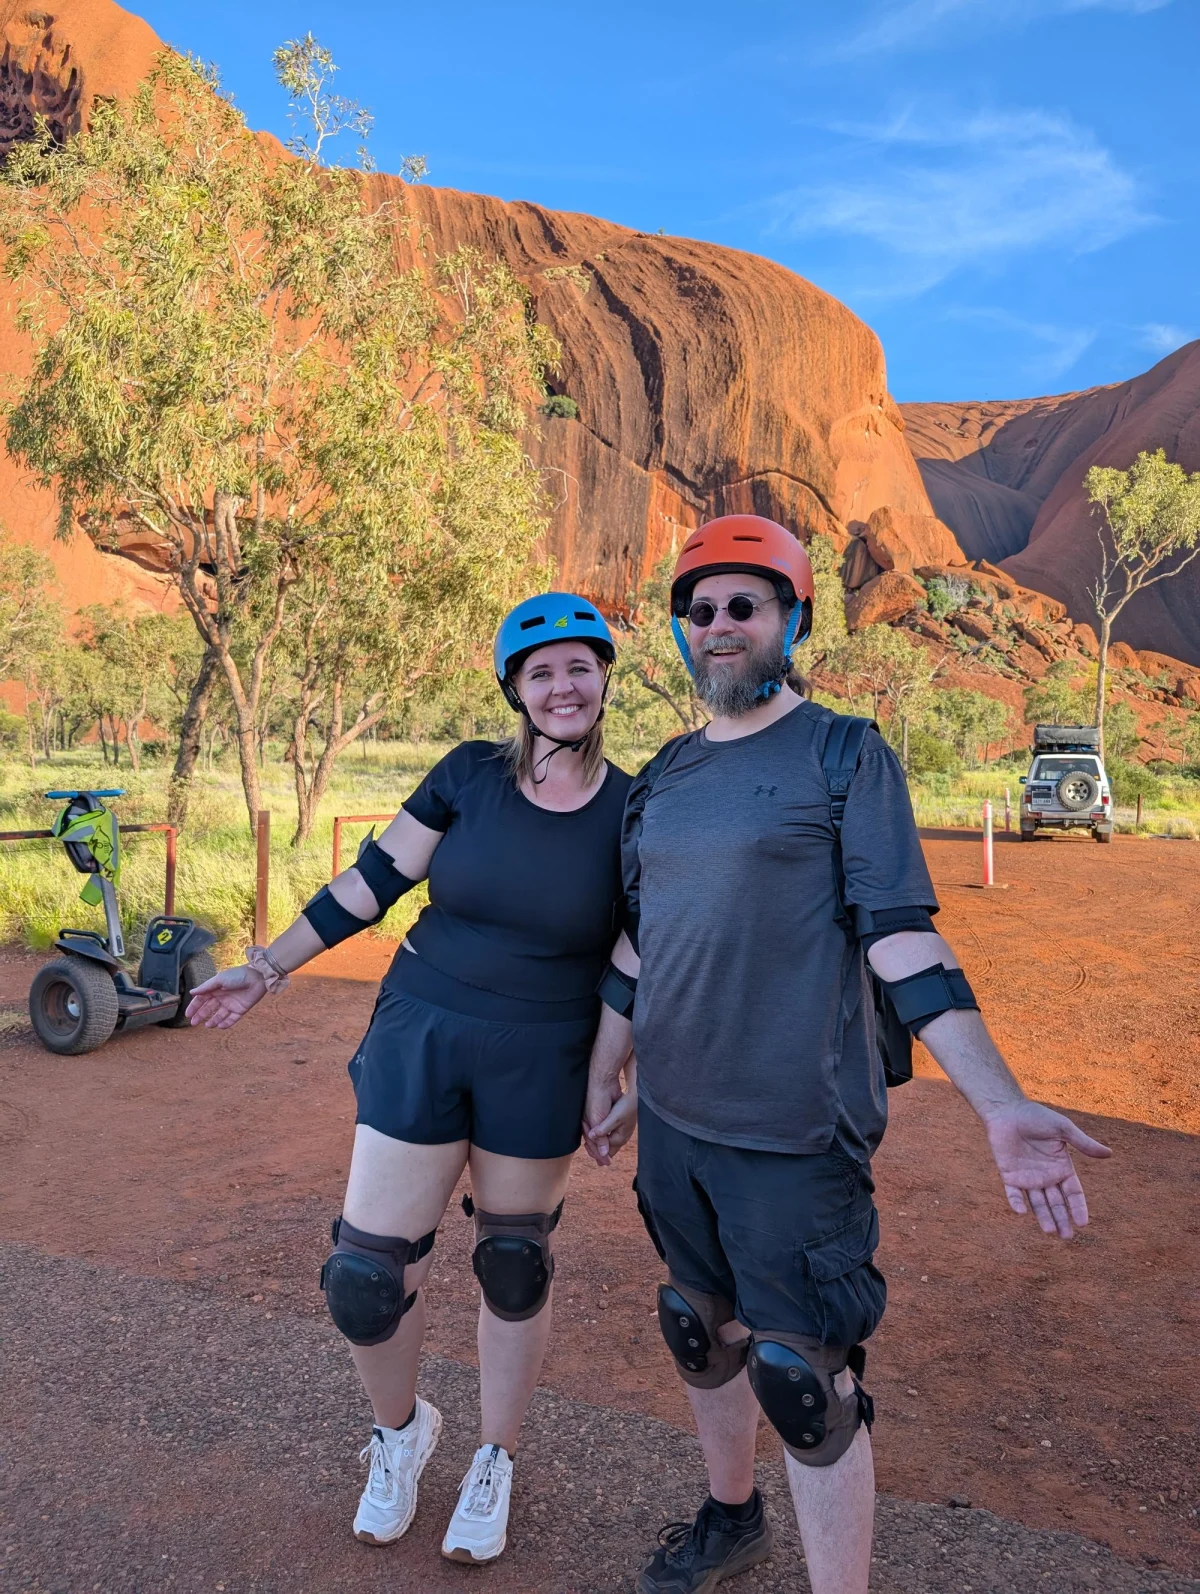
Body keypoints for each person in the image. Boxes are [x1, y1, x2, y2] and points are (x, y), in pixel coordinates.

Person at [581, 515, 1112, 1594]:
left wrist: (998, 1101)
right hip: (676, 1123)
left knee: (801, 1378)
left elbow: (902, 932)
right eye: (700, 609)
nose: (719, 624)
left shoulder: (843, 754)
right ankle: (733, 1518)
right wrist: (610, 1067)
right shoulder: (666, 774)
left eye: (745, 604)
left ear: (791, 619)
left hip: (794, 1128)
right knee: (699, 1324)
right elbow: (646, 936)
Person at [186, 594, 632, 1566]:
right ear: (515, 687)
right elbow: (372, 881)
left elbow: (638, 956)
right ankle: (401, 1431)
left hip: (543, 1050)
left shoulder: (632, 809)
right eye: (541, 670)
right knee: (365, 1276)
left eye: (579, 666)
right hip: (423, 1028)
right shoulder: (468, 775)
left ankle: (495, 1457)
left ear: (604, 676)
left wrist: (612, 1070)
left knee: (515, 1263)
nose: (563, 685)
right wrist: (266, 966)